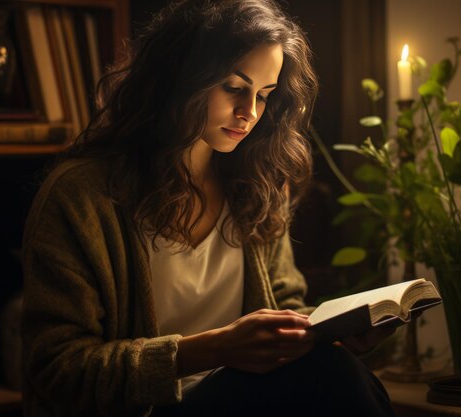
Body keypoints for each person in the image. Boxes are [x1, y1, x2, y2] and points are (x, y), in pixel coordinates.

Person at [21, 0, 396, 416]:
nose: (249, 113)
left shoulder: (255, 185)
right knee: (330, 375)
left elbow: (284, 303)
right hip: (147, 410)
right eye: (234, 88)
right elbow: (57, 368)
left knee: (331, 365)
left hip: (245, 402)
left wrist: (335, 332)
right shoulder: (82, 196)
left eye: (265, 95)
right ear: (179, 77)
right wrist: (211, 349)